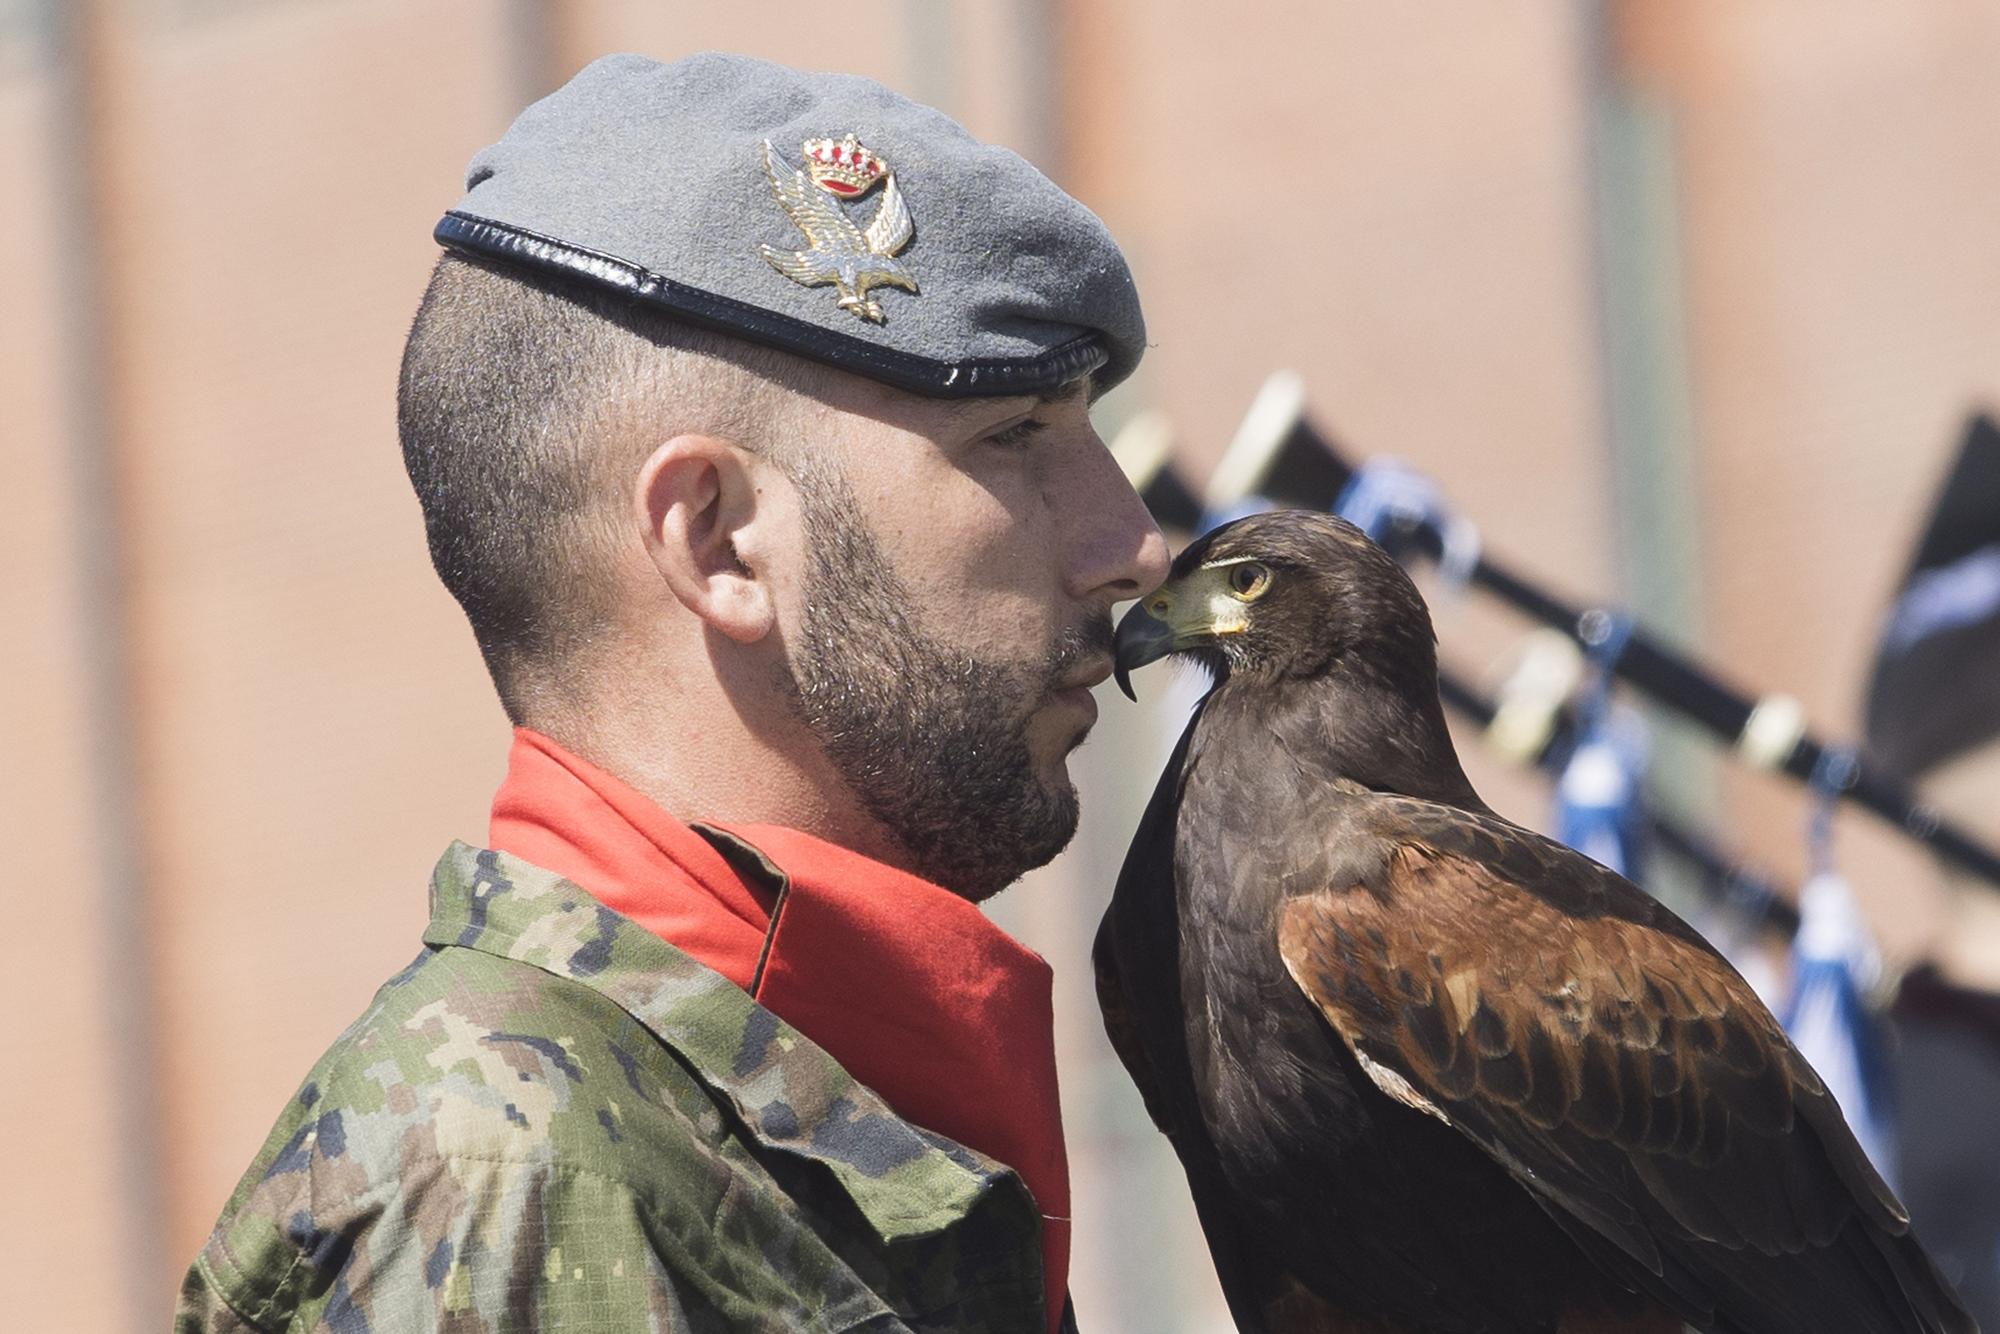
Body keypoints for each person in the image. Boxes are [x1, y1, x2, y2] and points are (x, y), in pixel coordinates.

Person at [175, 51, 1168, 1333]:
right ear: (716, 539)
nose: (1130, 543)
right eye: (1015, 435)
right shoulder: (509, 1168)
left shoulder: (752, 1104)